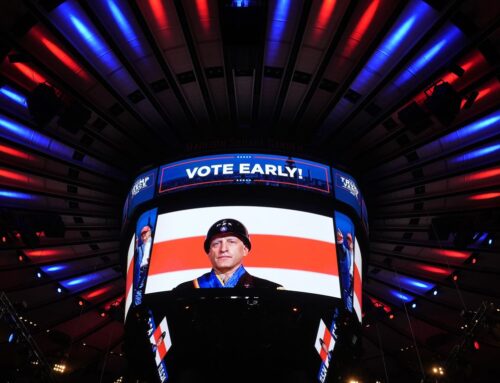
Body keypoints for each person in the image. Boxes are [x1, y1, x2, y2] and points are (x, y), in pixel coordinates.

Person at [176, 218, 282, 289]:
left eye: (231, 242)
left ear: (245, 249)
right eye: (216, 243)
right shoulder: (185, 290)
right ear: (208, 252)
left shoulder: (269, 290)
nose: (223, 249)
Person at [133, 225, 153, 305]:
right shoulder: (141, 247)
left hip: (150, 268)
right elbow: (134, 253)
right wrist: (136, 243)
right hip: (142, 270)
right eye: (142, 234)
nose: (143, 234)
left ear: (150, 232)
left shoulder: (154, 242)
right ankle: (138, 308)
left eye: (145, 232)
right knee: (138, 289)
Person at [336, 228, 354, 311]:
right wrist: (340, 240)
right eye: (348, 239)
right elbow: (341, 248)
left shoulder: (355, 257)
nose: (349, 241)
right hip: (345, 281)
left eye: (350, 239)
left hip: (351, 287)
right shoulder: (346, 252)